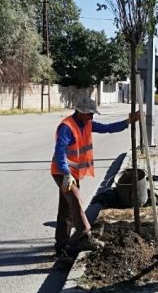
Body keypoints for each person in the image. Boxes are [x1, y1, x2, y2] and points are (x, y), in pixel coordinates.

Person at [51, 96, 139, 257]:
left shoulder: (87, 123)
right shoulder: (66, 127)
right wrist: (66, 174)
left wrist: (127, 122)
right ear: (80, 112)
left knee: (66, 210)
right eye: (89, 114)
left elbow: (107, 128)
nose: (92, 117)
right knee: (76, 201)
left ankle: (61, 246)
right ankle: (85, 236)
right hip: (62, 173)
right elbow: (59, 153)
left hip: (72, 174)